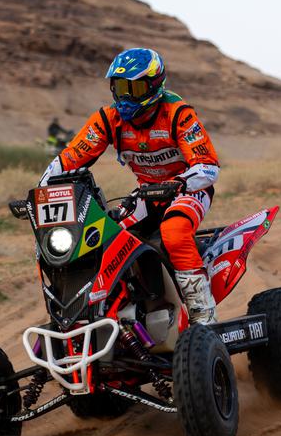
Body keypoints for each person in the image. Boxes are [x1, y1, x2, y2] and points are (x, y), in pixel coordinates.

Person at [40, 47, 220, 325]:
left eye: (133, 88)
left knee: (173, 232)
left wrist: (180, 182)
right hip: (147, 193)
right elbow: (70, 158)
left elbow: (208, 166)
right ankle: (115, 313)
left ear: (154, 85)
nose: (125, 96)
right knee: (104, 239)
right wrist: (40, 190)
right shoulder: (107, 119)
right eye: (120, 87)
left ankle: (202, 314)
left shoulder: (177, 114)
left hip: (189, 189)